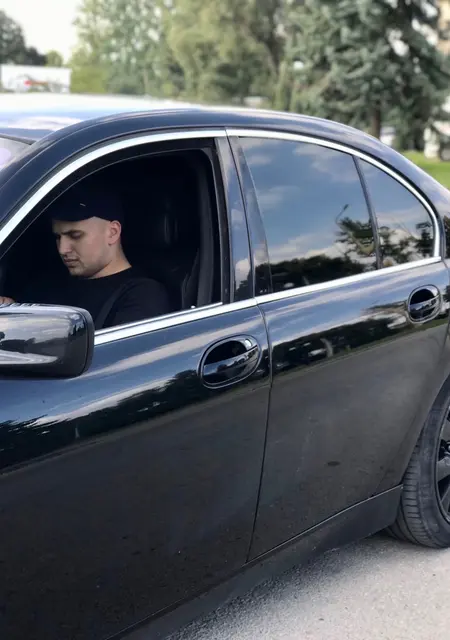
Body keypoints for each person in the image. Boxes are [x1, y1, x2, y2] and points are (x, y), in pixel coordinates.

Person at [0, 180, 171, 329]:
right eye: (58, 237)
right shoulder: (47, 283)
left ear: (112, 232)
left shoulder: (142, 295)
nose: (62, 249)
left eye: (75, 236)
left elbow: (120, 354)